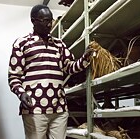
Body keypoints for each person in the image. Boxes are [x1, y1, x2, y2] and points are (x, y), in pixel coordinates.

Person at [8, 4, 93, 139]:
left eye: (51, 20)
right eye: (45, 20)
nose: (49, 25)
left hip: (59, 108)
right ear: (33, 20)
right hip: (34, 108)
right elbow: (14, 76)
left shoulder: (59, 44)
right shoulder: (22, 43)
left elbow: (70, 67)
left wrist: (85, 58)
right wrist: (21, 93)